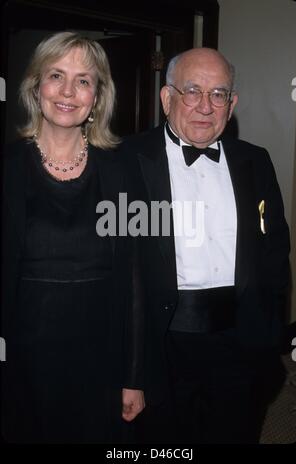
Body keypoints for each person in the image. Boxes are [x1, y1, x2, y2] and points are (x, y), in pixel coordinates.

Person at [124, 48, 290, 444]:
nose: (205, 106)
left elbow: (275, 253)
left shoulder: (255, 160)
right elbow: (115, 270)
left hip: (240, 340)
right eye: (192, 91)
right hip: (161, 345)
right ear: (167, 99)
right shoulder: (125, 159)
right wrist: (127, 371)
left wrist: (268, 340)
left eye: (218, 94)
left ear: (231, 105)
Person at [1, 31, 144, 444]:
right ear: (35, 87)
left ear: (97, 96)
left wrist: (133, 376)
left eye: (83, 80)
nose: (68, 91)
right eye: (56, 76)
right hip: (22, 364)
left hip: (100, 363)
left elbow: (135, 279)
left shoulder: (122, 172)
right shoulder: (7, 167)